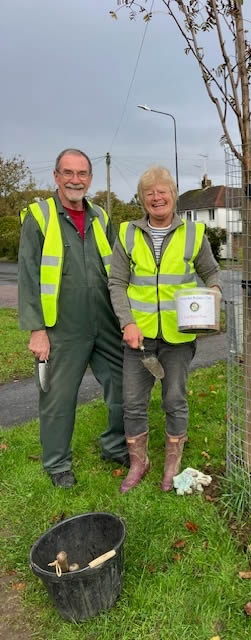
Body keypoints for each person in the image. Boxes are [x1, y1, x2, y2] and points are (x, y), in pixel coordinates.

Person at [108, 166, 222, 493]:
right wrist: (127, 323)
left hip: (178, 336)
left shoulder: (193, 234)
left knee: (174, 398)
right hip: (138, 337)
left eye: (163, 191)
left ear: (173, 195)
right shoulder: (127, 233)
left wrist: (213, 292)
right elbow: (116, 282)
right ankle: (138, 462)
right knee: (132, 401)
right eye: (149, 193)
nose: (157, 197)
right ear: (142, 199)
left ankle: (171, 464)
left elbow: (212, 273)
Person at [17, 148, 127, 488]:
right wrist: (37, 329)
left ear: (90, 180)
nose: (75, 180)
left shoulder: (101, 218)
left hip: (105, 322)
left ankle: (114, 446)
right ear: (56, 176)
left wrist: (125, 319)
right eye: (68, 173)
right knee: (58, 398)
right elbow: (28, 276)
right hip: (62, 327)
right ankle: (57, 464)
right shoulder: (40, 217)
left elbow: (117, 272)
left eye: (81, 174)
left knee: (124, 388)